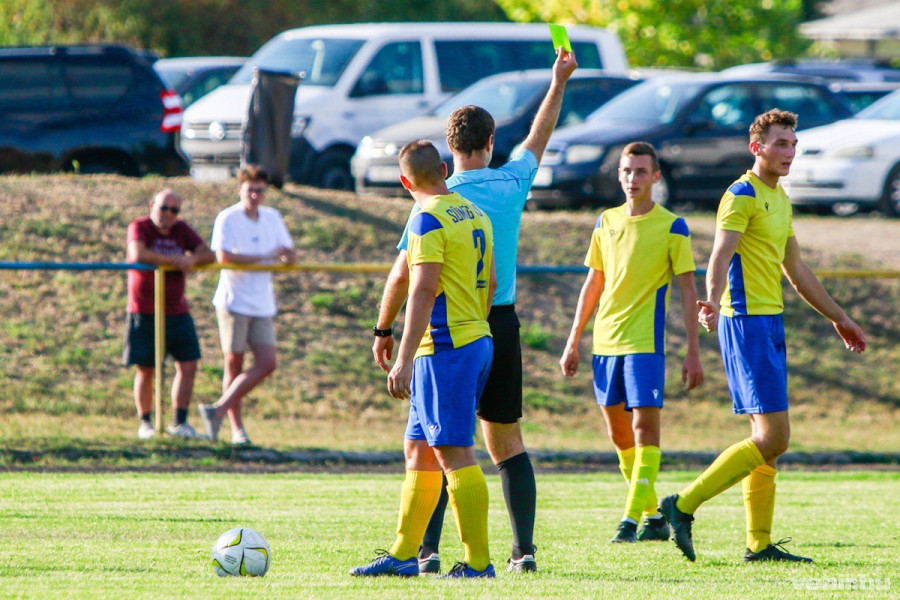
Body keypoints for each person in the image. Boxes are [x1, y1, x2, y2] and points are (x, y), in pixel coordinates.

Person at [371, 48, 578, 574]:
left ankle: (430, 551)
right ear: (490, 143)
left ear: (449, 152)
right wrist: (558, 81)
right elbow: (539, 135)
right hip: (498, 322)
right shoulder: (511, 183)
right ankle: (523, 551)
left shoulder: (435, 203)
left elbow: (405, 276)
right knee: (504, 441)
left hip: (448, 330)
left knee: (442, 441)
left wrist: (384, 328)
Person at [660, 109, 868, 563]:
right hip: (746, 321)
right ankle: (682, 505)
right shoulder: (741, 194)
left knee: (765, 444)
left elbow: (796, 269)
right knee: (775, 438)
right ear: (757, 148)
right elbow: (719, 255)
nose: (789, 152)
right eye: (780, 144)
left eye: (793, 144)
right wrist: (710, 299)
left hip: (770, 321)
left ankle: (758, 544)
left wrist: (839, 317)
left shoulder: (779, 197)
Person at [351, 140, 497, 578]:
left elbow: (423, 289)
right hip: (473, 339)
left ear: (404, 182)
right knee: (418, 449)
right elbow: (491, 282)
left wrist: (405, 357)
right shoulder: (475, 213)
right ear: (445, 170)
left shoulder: (426, 218)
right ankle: (403, 555)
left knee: (454, 452)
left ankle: (479, 563)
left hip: (446, 348)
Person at [559, 142, 704, 544]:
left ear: (656, 177)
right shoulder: (605, 221)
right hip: (605, 342)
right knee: (620, 436)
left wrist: (693, 351)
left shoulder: (673, 226)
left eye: (641, 171)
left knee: (644, 429)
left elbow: (688, 291)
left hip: (645, 344)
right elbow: (594, 283)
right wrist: (573, 339)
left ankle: (628, 519)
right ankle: (655, 516)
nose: (632, 178)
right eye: (626, 171)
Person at [198, 165, 296, 445]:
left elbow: (289, 253)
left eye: (260, 190)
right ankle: (236, 429)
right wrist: (265, 256)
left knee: (268, 363)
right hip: (234, 301)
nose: (255, 195)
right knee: (234, 365)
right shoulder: (227, 218)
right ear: (240, 189)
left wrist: (286, 257)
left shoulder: (272, 217)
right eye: (250, 190)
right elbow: (224, 258)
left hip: (262, 302)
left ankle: (217, 410)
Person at [124, 188, 215, 440]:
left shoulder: (182, 230)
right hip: (145, 309)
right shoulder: (140, 227)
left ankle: (180, 423)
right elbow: (138, 254)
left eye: (174, 210)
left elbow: (208, 254)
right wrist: (177, 260)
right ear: (152, 205)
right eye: (163, 208)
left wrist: (192, 260)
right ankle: (146, 423)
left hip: (177, 310)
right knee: (146, 369)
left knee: (188, 365)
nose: (168, 214)